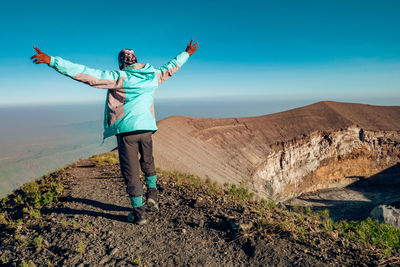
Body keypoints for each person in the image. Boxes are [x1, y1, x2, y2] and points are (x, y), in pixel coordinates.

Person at [31, 40, 199, 225]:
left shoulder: (119, 77)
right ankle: (153, 194)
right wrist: (187, 53)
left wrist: (53, 61)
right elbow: (171, 67)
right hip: (147, 128)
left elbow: (87, 74)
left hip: (128, 131)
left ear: (122, 63)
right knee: (148, 160)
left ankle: (139, 214)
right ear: (136, 60)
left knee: (131, 172)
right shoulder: (153, 75)